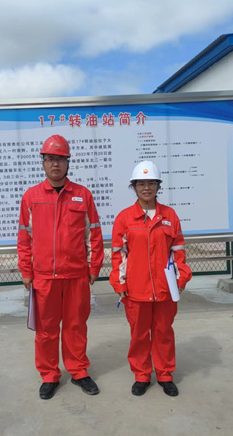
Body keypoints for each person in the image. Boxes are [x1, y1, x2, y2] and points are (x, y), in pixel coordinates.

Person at [17, 134, 104, 400]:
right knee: (46, 330)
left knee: (76, 326)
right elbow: (24, 238)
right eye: (50, 159)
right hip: (44, 277)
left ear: (68, 163)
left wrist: (94, 266)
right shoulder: (31, 197)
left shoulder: (82, 195)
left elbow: (94, 234)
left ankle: (78, 370)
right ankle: (49, 375)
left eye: (60, 159)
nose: (55, 164)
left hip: (76, 275)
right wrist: (26, 270)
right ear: (43, 162)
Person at [110, 160, 192, 397]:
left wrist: (181, 278)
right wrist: (119, 283)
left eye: (151, 183)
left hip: (165, 288)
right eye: (141, 183)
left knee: (164, 332)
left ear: (158, 186)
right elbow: (118, 255)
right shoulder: (125, 218)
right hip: (136, 289)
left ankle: (165, 374)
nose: (146, 188)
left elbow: (178, 251)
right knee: (139, 335)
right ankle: (142, 375)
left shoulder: (170, 216)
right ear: (134, 187)